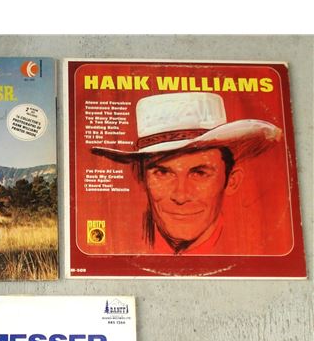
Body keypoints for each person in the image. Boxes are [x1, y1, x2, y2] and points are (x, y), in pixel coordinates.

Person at [91, 92, 282, 254]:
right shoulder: (113, 246)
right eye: (162, 173)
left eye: (200, 173)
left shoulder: (256, 248)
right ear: (141, 178)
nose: (181, 195)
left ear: (231, 180)